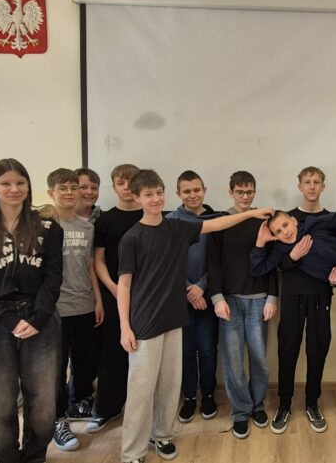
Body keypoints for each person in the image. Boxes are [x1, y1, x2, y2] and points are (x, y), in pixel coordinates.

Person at [115, 169, 272, 463]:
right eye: (148, 195)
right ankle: (132, 452)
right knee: (141, 389)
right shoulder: (131, 238)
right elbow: (124, 285)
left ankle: (162, 435)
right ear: (137, 198)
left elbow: (217, 223)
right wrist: (125, 327)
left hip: (174, 319)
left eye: (159, 193)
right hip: (144, 323)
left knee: (169, 386)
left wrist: (252, 214)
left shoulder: (177, 228)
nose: (155, 199)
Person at [0, 158, 63, 463]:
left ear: (28, 187)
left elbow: (53, 278)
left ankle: (35, 455)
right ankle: (5, 457)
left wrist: (38, 318)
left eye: (20, 183)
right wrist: (8, 321)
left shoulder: (48, 228)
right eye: (5, 183)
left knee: (43, 399)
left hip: (40, 320)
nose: (13, 189)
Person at [264, 166, 336, 434]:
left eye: (316, 182)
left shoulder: (331, 220)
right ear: (299, 186)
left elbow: (334, 259)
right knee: (288, 349)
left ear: (323, 186)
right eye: (307, 182)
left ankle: (312, 403)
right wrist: (294, 256)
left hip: (321, 294)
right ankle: (284, 404)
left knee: (318, 348)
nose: (311, 186)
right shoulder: (286, 220)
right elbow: (277, 263)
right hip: (292, 295)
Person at [207, 171, 279, 439]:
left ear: (255, 192)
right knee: (233, 360)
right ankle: (240, 410)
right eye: (240, 192)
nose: (245, 197)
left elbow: (271, 261)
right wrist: (217, 298)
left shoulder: (264, 221)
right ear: (231, 193)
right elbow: (212, 262)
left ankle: (257, 405)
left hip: (259, 300)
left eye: (249, 192)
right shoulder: (220, 222)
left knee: (259, 358)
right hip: (229, 301)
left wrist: (272, 297)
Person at [44, 169, 104, 452]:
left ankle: (78, 402)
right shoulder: (44, 226)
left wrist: (98, 300)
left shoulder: (87, 227)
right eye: (63, 189)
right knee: (55, 368)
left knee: (85, 362)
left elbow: (90, 265)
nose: (70, 193)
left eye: (73, 188)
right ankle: (58, 420)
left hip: (84, 304)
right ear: (51, 193)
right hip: (55, 309)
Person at [165, 170, 224, 424]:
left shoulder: (217, 221)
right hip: (180, 298)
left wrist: (201, 287)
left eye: (197, 190)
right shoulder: (169, 221)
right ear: (178, 194)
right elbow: (166, 262)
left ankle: (208, 395)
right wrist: (188, 290)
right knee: (186, 351)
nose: (192, 195)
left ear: (204, 190)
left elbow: (220, 260)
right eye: (186, 191)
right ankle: (189, 396)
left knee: (208, 349)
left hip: (208, 296)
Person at [88, 164, 143, 433]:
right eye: (122, 183)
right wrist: (112, 287)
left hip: (146, 297)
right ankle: (107, 409)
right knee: (112, 353)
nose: (127, 188)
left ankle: (141, 412)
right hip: (114, 294)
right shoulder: (105, 220)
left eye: (132, 182)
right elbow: (97, 260)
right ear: (114, 187)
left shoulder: (151, 215)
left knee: (143, 355)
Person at [250, 209, 336, 284]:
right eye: (278, 231)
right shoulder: (280, 249)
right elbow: (257, 270)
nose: (285, 232)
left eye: (285, 225)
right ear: (275, 236)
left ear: (293, 220)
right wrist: (260, 242)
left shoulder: (312, 224)